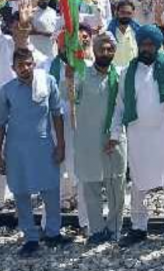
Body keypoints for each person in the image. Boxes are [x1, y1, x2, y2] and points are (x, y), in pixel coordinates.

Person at [109, 25, 164, 247]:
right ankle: (138, 227)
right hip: (139, 135)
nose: (146, 48)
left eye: (151, 44)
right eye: (143, 44)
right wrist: (115, 133)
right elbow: (119, 106)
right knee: (139, 183)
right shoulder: (127, 73)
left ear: (157, 46)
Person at [0, 48, 67, 257]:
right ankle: (30, 237)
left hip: (43, 145)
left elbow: (57, 114)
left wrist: (60, 144)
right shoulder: (7, 90)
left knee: (51, 189)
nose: (25, 69)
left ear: (34, 64)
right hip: (16, 149)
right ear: (13, 68)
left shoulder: (48, 82)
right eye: (20, 65)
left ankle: (53, 232)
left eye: (28, 64)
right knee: (21, 192)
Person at [65, 33, 127, 244]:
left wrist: (115, 135)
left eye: (110, 49)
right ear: (95, 50)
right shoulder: (82, 73)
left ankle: (115, 228)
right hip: (88, 140)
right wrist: (70, 78)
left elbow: (123, 107)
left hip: (115, 139)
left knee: (116, 185)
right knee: (91, 186)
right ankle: (97, 230)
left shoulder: (120, 74)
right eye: (102, 49)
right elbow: (70, 98)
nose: (106, 53)